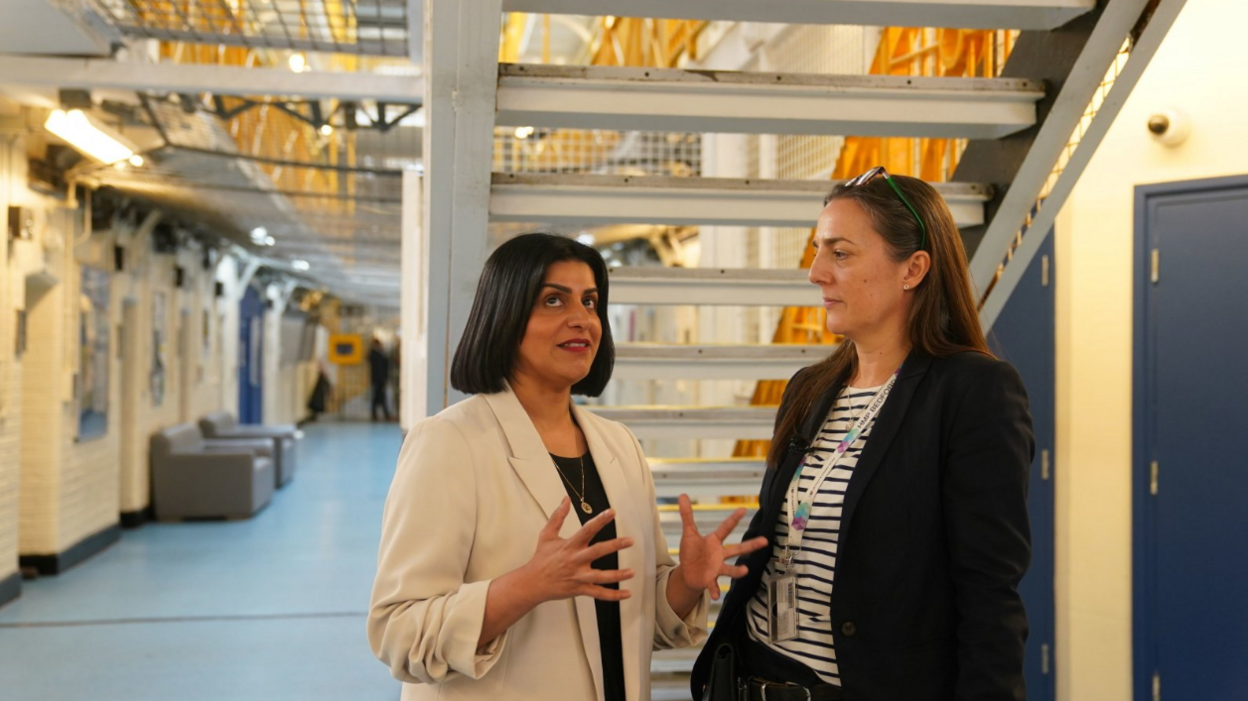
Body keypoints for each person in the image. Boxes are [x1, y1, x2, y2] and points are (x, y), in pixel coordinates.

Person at [368, 233, 768, 701]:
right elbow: (398, 632)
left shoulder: (617, 444)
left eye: (591, 301)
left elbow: (637, 622)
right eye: (553, 300)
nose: (582, 319)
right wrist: (525, 586)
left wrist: (683, 582)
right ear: (505, 315)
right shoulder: (450, 443)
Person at [691, 167, 1034, 701]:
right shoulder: (810, 387)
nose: (816, 273)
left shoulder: (972, 390)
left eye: (840, 253)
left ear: (913, 268)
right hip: (751, 678)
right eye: (816, 250)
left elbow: (989, 592)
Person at [368, 337, 392, 421]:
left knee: (379, 398)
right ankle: (383, 414)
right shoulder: (374, 354)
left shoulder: (379, 353)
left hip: (379, 379)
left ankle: (382, 414)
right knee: (379, 398)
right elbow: (379, 368)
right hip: (378, 379)